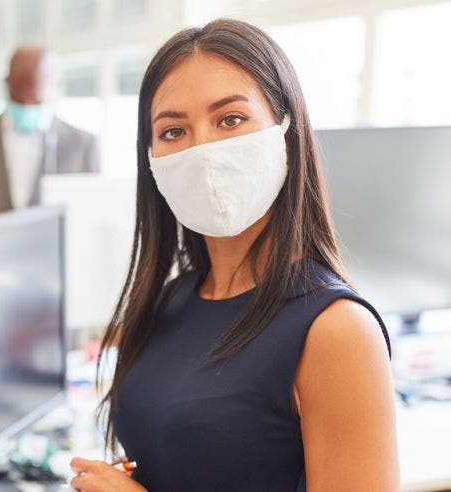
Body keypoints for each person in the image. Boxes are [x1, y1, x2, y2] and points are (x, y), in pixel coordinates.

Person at [69, 19, 398, 492]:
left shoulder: (336, 331)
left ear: (286, 135)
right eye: (173, 130)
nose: (202, 148)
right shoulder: (170, 301)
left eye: (230, 119)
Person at [0, 45, 100, 225]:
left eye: (34, 99)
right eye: (19, 98)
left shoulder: (83, 145)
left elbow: (91, 218)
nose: (26, 105)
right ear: (7, 83)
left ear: (53, 84)